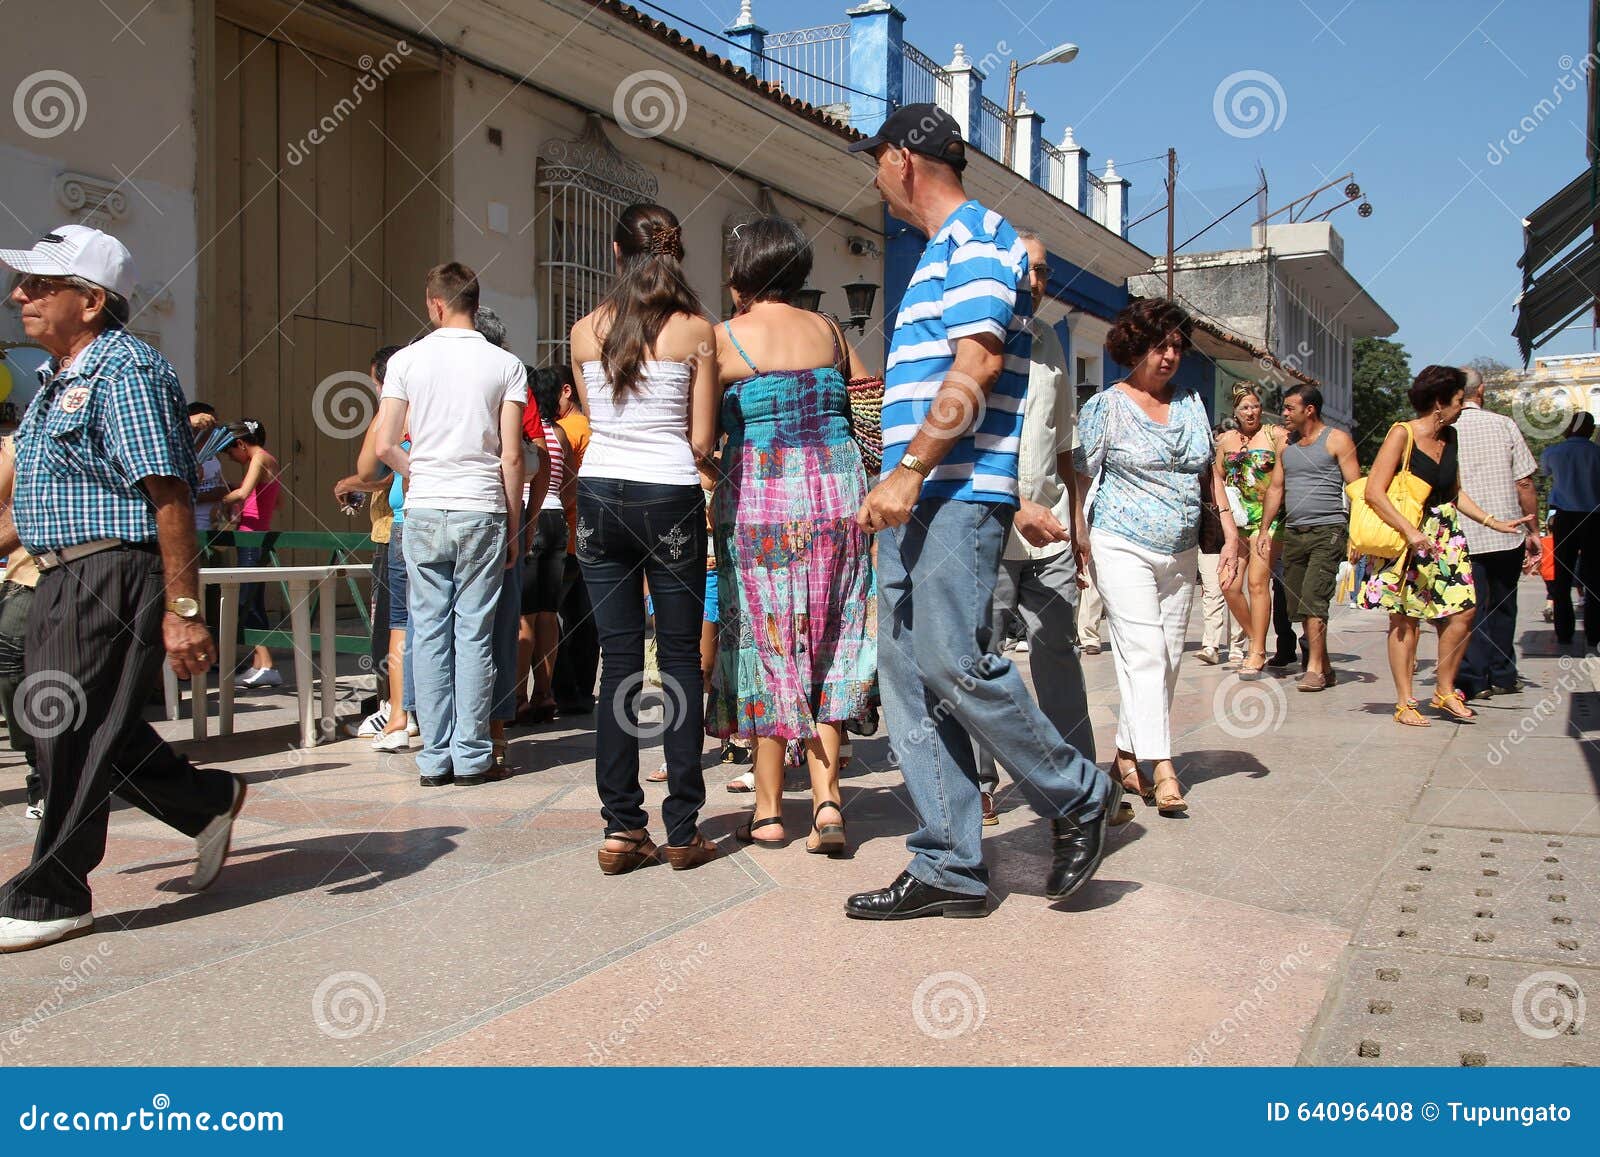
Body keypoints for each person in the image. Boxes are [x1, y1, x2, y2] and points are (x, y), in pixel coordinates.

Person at [844, 103, 1123, 921]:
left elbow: (978, 361)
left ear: (901, 160)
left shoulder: (973, 241)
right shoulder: (959, 249)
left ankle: (1077, 793)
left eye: (876, 159)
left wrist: (910, 470)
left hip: (952, 493)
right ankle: (951, 862)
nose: (874, 174)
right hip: (921, 499)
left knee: (954, 663)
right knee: (908, 675)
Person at [0, 224, 243, 953]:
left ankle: (55, 890)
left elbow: (169, 496)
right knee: (61, 715)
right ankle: (205, 802)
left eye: (41, 285)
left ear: (93, 300)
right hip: (59, 570)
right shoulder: (56, 383)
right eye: (25, 284)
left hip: (113, 568)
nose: (21, 295)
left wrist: (185, 610)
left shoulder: (126, 372)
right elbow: (39, 505)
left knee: (69, 721)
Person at [706, 216, 877, 856]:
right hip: (836, 498)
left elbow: (700, 436)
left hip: (758, 502)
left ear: (743, 271)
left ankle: (771, 810)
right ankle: (829, 804)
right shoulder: (832, 332)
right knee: (831, 639)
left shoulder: (723, 340)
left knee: (768, 642)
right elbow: (869, 409)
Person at [570, 203, 720, 873]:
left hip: (600, 493)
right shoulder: (697, 331)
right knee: (682, 658)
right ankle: (684, 825)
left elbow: (601, 417)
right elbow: (699, 438)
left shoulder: (583, 331)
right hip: (671, 493)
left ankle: (621, 826)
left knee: (618, 660)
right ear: (676, 253)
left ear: (613, 251)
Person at [1075, 297, 1242, 815]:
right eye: (1158, 344)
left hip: (1182, 549)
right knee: (1145, 653)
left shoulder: (1192, 403)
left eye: (1175, 345)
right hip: (1121, 542)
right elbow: (1080, 472)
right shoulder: (1107, 405)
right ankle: (1162, 765)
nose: (1168, 355)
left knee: (1167, 660)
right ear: (1134, 345)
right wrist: (1079, 533)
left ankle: (1126, 754)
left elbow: (1208, 473)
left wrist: (1231, 532)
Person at [375, 262, 526, 786]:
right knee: (474, 633)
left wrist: (416, 472)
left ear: (435, 305)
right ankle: (471, 754)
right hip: (482, 507)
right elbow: (512, 457)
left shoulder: (405, 361)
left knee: (428, 631)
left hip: (423, 509)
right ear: (474, 305)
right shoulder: (506, 365)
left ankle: (433, 759)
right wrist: (513, 523)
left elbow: (383, 444)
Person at [973, 227, 1093, 827]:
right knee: (983, 657)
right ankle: (981, 783)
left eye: (1045, 271)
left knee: (1059, 653)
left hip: (1051, 532)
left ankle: (1083, 783)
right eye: (1029, 268)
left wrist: (1080, 522)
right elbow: (967, 439)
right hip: (989, 525)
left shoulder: (1049, 340)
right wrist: (1016, 505)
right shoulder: (974, 333)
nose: (1038, 281)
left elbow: (1063, 441)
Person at [1356, 365, 1532, 725]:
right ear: (1439, 403)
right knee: (1406, 619)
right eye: (1456, 400)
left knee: (1464, 611)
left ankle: (1444, 689)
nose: (1460, 406)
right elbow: (1374, 491)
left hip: (1444, 535)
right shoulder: (1402, 434)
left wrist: (1493, 522)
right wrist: (1409, 531)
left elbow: (1454, 492)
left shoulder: (1450, 437)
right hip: (1406, 535)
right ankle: (1406, 702)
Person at [1256, 383, 1362, 690]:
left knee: (1315, 599)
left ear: (1309, 409)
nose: (1284, 413)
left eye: (1290, 408)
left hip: (1328, 531)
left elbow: (1356, 489)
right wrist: (1265, 530)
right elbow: (1277, 488)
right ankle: (1325, 665)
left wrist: (1357, 534)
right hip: (1294, 533)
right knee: (1297, 604)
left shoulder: (1337, 440)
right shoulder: (1286, 446)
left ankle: (1313, 668)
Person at [1451, 367, 1540, 697]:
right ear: (1482, 390)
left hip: (1463, 532)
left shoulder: (1446, 430)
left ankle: (1473, 677)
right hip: (1508, 530)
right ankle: (1502, 674)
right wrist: (1533, 528)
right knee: (1503, 603)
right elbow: (1525, 482)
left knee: (1470, 606)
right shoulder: (1504, 424)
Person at [335, 345, 404, 738]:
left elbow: (379, 470)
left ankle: (388, 705)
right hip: (414, 525)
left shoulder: (392, 410)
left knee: (390, 625)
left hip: (392, 532)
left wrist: (349, 483)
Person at [516, 367, 573, 727]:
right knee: (549, 613)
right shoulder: (559, 433)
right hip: (556, 522)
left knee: (523, 615)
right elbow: (569, 484)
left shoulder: (521, 433)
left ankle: (518, 697)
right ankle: (545, 693)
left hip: (529, 516)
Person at [1216, 382, 1285, 676]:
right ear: (1235, 412)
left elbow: (1285, 475)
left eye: (1256, 406)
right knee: (1228, 584)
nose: (1251, 411)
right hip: (1238, 521)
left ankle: (1256, 651)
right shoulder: (1226, 441)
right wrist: (1223, 513)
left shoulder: (1274, 435)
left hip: (1267, 521)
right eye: (1245, 407)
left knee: (1257, 583)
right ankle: (1256, 638)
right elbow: (1216, 477)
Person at [549, 372, 599, 715]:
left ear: (567, 391)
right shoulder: (595, 427)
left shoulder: (570, 429)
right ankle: (581, 692)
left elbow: (568, 484)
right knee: (586, 621)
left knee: (554, 620)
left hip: (566, 536)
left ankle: (562, 691)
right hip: (594, 536)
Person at [221, 419, 283, 690]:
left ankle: (267, 665)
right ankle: (260, 664)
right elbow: (275, 501)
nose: (231, 457)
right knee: (253, 600)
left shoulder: (257, 459)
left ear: (242, 443)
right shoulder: (270, 460)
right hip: (260, 534)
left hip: (251, 537)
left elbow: (243, 493)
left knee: (247, 600)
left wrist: (218, 500)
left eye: (230, 451)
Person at [0, 438, 42, 820]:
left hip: (90, 571)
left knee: (71, 679)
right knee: (12, 673)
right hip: (26, 575)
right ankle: (39, 768)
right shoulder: (18, 442)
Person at [1539, 410, 1600, 651]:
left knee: (1562, 577)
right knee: (1595, 577)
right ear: (1590, 429)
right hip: (1595, 518)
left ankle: (1564, 631)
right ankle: (1595, 632)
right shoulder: (1597, 453)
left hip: (1565, 517)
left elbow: (1545, 473)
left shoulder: (1554, 452)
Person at [1195, 419, 1247, 666]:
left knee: (1233, 589)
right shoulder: (1203, 471)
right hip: (1210, 536)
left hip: (1239, 531)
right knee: (1212, 590)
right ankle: (1211, 645)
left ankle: (1237, 645)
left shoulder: (1244, 474)